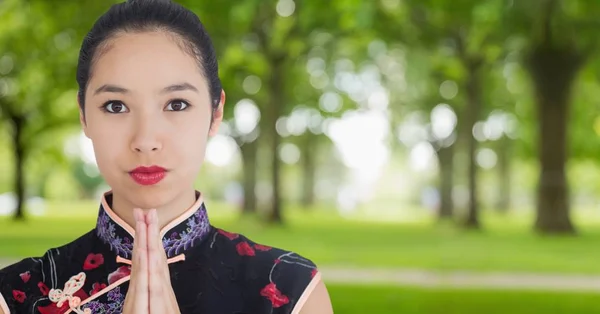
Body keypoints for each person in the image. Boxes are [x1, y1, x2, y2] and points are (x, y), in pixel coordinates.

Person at [0, 0, 333, 313]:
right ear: (84, 116)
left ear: (215, 113)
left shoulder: (289, 290)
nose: (145, 141)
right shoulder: (17, 295)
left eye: (176, 104)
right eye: (116, 106)